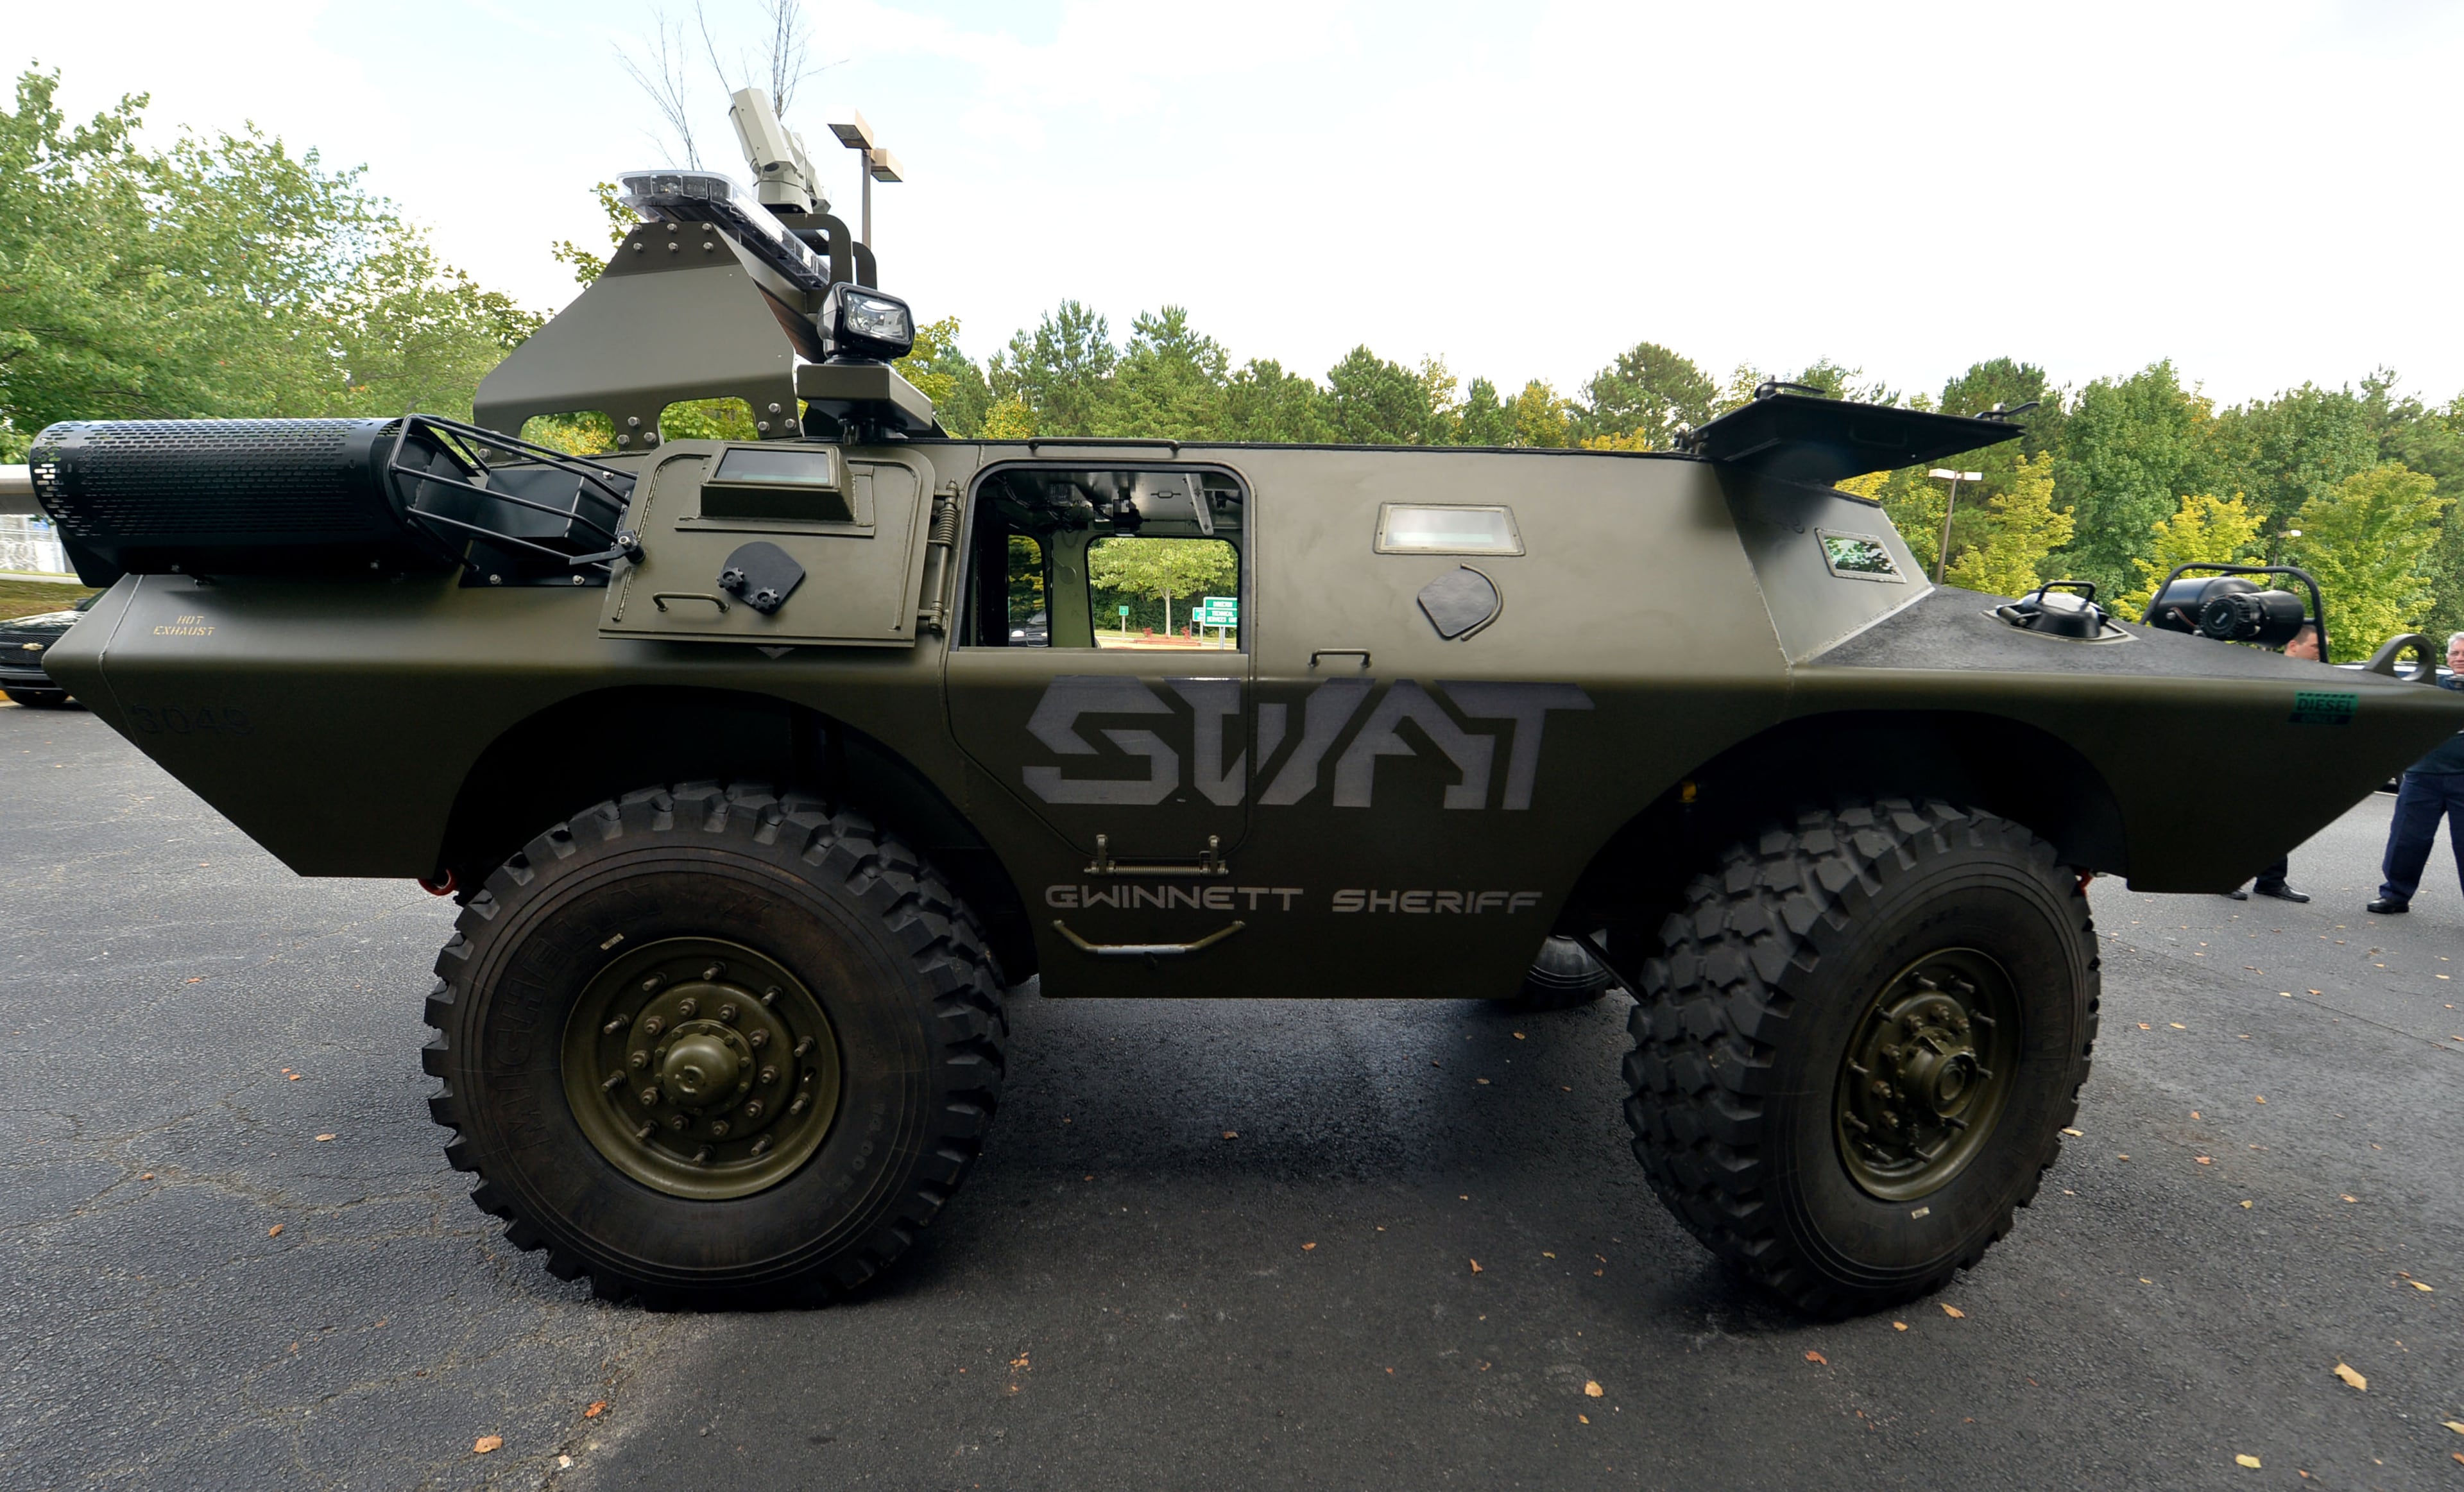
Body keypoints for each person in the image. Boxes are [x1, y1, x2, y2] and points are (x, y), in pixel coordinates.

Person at [2366, 630, 2464, 914]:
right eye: (2455, 654)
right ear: (2447, 658)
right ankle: (2395, 895)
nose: (2460, 659)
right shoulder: (2430, 686)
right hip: (2422, 776)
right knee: (2407, 840)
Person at [2229, 624, 2324, 903]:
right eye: (2316, 647)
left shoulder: (2316, 679)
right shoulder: (2263, 673)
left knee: (2278, 823)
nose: (2321, 653)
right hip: (2255, 759)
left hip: (2289, 761)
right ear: (2293, 646)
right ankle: (2226, 878)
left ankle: (2271, 881)